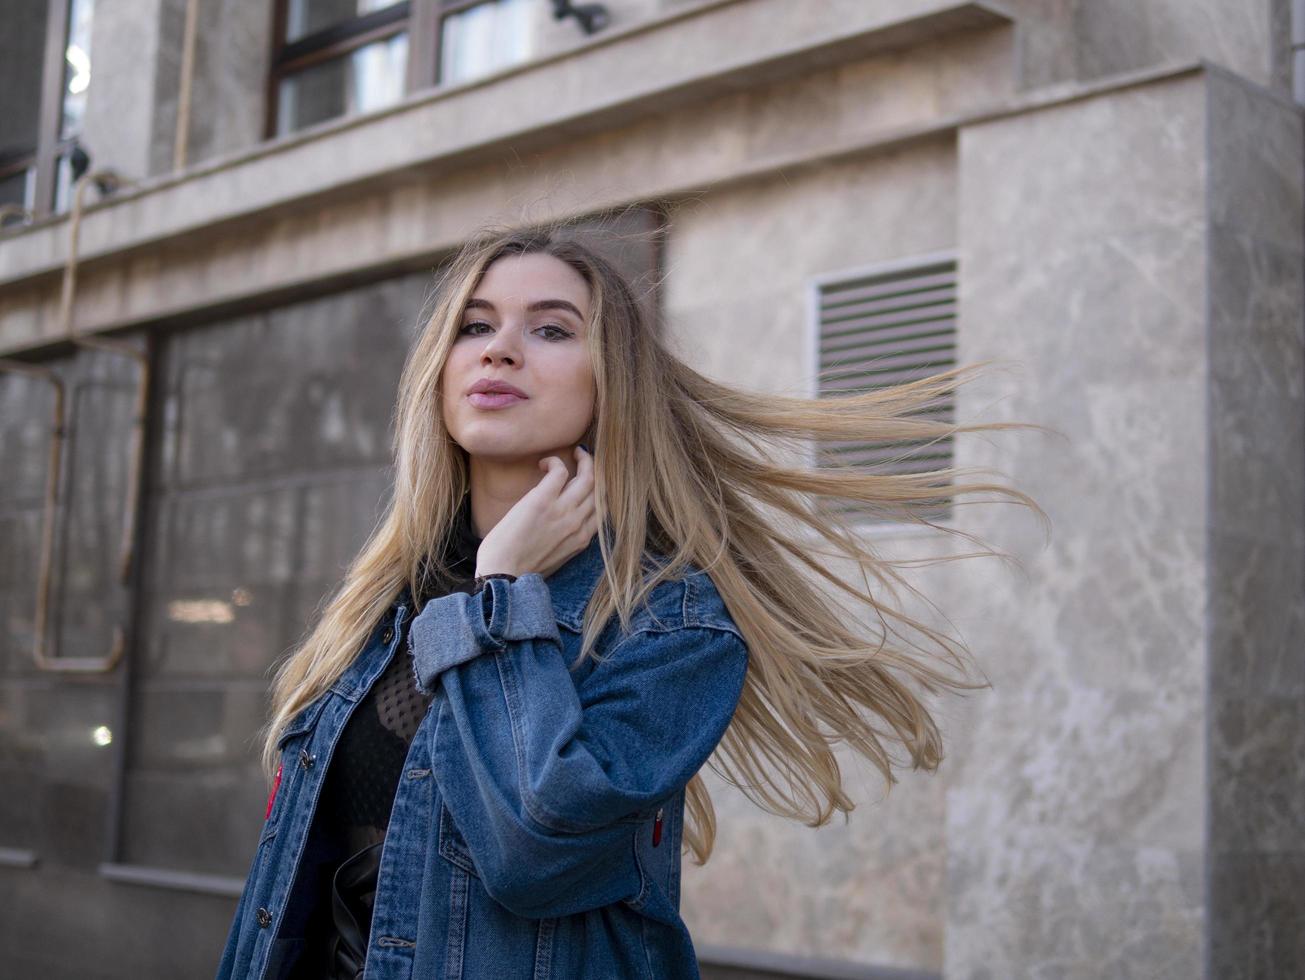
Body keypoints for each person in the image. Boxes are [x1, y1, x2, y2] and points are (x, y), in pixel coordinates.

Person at [215, 217, 1045, 980]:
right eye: (475, 325)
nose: (499, 350)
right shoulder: (384, 602)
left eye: (549, 328)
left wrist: (503, 595)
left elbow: (537, 850)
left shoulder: (670, 620)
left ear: (610, 382)